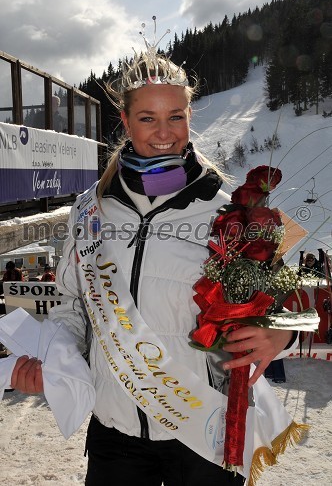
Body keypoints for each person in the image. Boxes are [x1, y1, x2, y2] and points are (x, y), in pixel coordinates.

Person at [10, 24, 298, 486]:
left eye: (176, 117)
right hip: (115, 430)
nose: (164, 133)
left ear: (190, 117)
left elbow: (286, 301)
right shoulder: (90, 211)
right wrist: (56, 364)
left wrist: (279, 336)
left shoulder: (233, 211)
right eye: (147, 118)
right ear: (125, 122)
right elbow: (70, 305)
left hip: (203, 429)